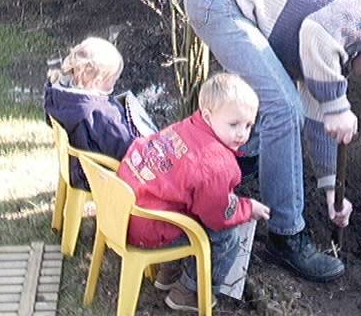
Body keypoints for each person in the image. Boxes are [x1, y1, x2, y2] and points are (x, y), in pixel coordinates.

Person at [184, 0, 361, 283]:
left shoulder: (336, 53)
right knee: (282, 108)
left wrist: (330, 190)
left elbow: (316, 113)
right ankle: (286, 236)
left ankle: (197, 190)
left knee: (273, 116)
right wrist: (339, 105)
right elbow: (315, 34)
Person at [117, 72, 271, 312]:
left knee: (187, 202)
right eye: (234, 124)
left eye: (248, 125)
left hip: (127, 213)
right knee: (226, 237)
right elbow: (220, 215)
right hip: (149, 229)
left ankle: (169, 272)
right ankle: (190, 291)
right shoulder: (215, 164)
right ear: (208, 116)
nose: (242, 133)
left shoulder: (185, 128)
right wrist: (248, 207)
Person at [45, 36, 135, 190]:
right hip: (96, 175)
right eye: (113, 79)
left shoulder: (60, 96)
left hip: (74, 167)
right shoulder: (100, 113)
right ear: (98, 81)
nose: (115, 82)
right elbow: (125, 149)